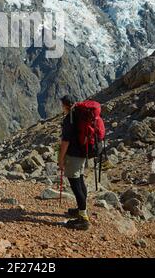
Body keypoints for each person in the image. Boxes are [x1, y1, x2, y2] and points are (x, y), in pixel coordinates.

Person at [58, 95, 90, 231]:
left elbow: (65, 141)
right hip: (83, 153)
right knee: (80, 181)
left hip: (74, 156)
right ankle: (80, 209)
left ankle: (83, 218)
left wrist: (60, 159)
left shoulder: (69, 119)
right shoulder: (80, 115)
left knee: (75, 184)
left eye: (62, 105)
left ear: (65, 105)